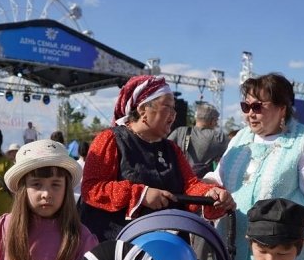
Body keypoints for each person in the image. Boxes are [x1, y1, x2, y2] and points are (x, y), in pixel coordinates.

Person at [206, 73, 304, 260]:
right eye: (246, 107)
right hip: (235, 248)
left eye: (258, 107)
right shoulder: (240, 139)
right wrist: (209, 186)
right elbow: (219, 177)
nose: (250, 114)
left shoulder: (303, 142)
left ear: (282, 109)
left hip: (282, 254)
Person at [80, 75, 234, 241]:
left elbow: (190, 185)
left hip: (168, 250)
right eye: (167, 106)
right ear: (142, 110)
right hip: (119, 248)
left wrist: (210, 193)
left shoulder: (171, 149)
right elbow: (92, 188)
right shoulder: (110, 139)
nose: (174, 114)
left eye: (174, 109)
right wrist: (141, 195)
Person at [167, 102, 229, 178]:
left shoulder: (179, 131)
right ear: (212, 121)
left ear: (196, 118)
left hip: (177, 181)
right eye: (216, 120)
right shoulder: (218, 137)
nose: (216, 124)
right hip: (201, 184)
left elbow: (164, 150)